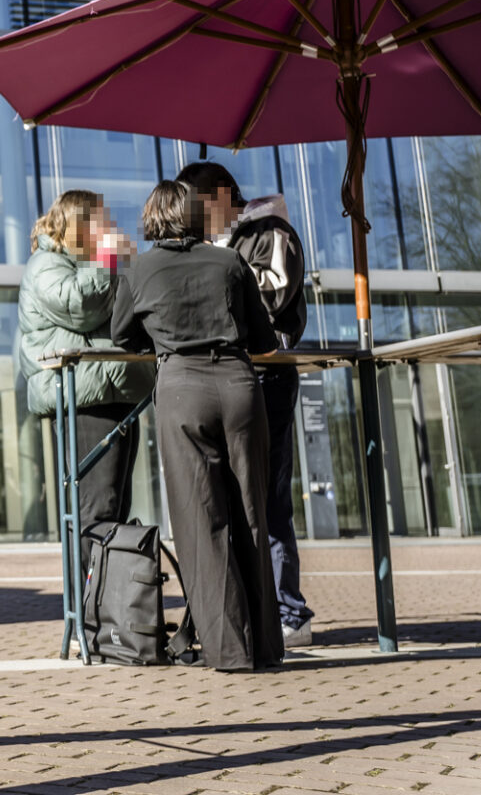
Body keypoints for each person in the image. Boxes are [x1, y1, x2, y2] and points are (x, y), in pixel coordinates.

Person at [112, 180, 282, 671]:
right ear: (193, 215)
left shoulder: (139, 268)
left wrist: (162, 337)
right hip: (238, 385)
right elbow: (264, 337)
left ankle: (230, 650)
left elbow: (122, 335)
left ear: (151, 218)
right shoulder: (228, 263)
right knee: (252, 512)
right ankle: (267, 646)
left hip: (181, 389)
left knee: (200, 521)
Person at [177, 161, 316, 649]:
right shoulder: (218, 244)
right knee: (232, 499)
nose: (192, 220)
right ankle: (251, 610)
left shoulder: (271, 231)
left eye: (196, 209)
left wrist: (214, 282)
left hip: (265, 374)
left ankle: (288, 613)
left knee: (268, 499)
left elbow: (272, 297)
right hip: (227, 376)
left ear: (218, 198)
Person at [13, 189, 149, 531]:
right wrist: (106, 260)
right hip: (84, 396)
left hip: (113, 389)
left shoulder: (93, 262)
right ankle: (92, 585)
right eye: (98, 221)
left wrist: (127, 263)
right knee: (98, 505)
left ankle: (108, 583)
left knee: (115, 503)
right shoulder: (46, 263)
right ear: (75, 224)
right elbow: (81, 307)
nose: (107, 228)